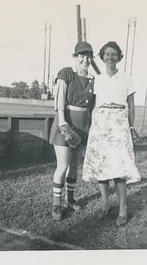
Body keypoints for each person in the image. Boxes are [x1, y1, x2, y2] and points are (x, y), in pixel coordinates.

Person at [81, 40, 141, 226]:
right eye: (107, 54)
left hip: (119, 122)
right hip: (100, 123)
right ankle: (105, 204)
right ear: (102, 56)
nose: (110, 57)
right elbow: (94, 106)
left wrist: (131, 127)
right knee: (101, 167)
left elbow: (131, 105)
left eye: (113, 54)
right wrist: (92, 128)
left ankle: (123, 208)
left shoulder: (126, 78)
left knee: (118, 168)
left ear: (119, 57)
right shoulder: (98, 80)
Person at [48, 42, 97, 220]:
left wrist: (92, 128)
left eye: (89, 56)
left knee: (75, 166)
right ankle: (56, 205)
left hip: (83, 125)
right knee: (63, 166)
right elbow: (59, 101)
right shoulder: (66, 73)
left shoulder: (93, 80)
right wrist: (62, 123)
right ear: (75, 57)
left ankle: (70, 199)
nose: (85, 59)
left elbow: (92, 108)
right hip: (66, 123)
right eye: (81, 56)